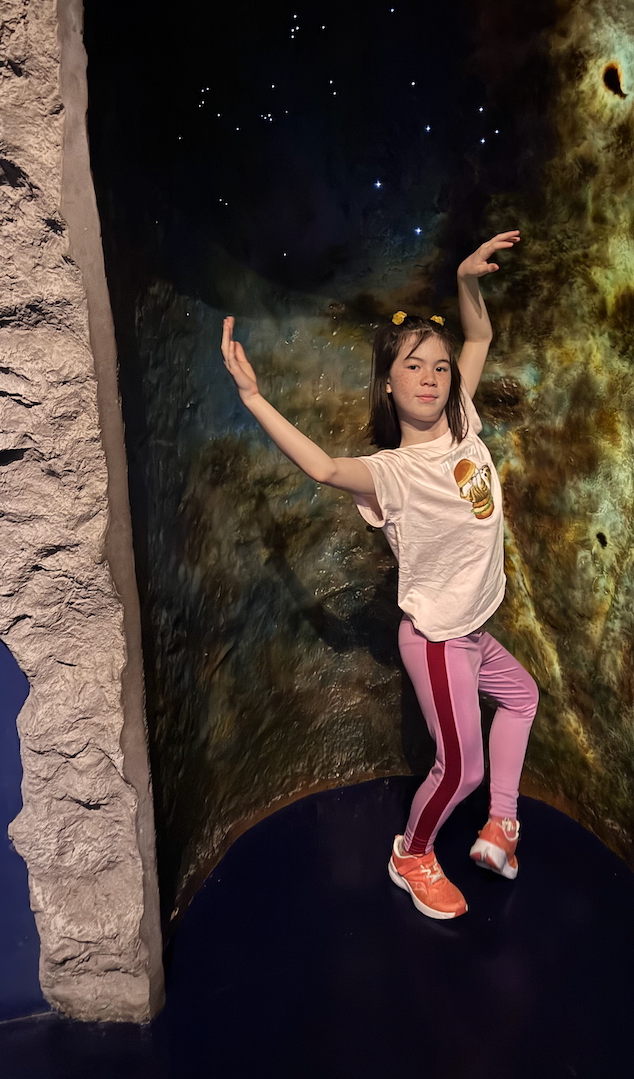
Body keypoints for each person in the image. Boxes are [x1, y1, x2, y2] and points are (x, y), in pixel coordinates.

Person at [221, 231, 539, 920]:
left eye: (440, 367)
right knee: (461, 768)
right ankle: (412, 855)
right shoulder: (391, 473)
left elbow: (479, 337)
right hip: (438, 640)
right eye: (413, 366)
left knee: (521, 698)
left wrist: (466, 279)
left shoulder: (463, 425)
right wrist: (253, 399)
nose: (432, 377)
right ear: (388, 383)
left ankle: (499, 826)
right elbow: (322, 467)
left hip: (473, 630)